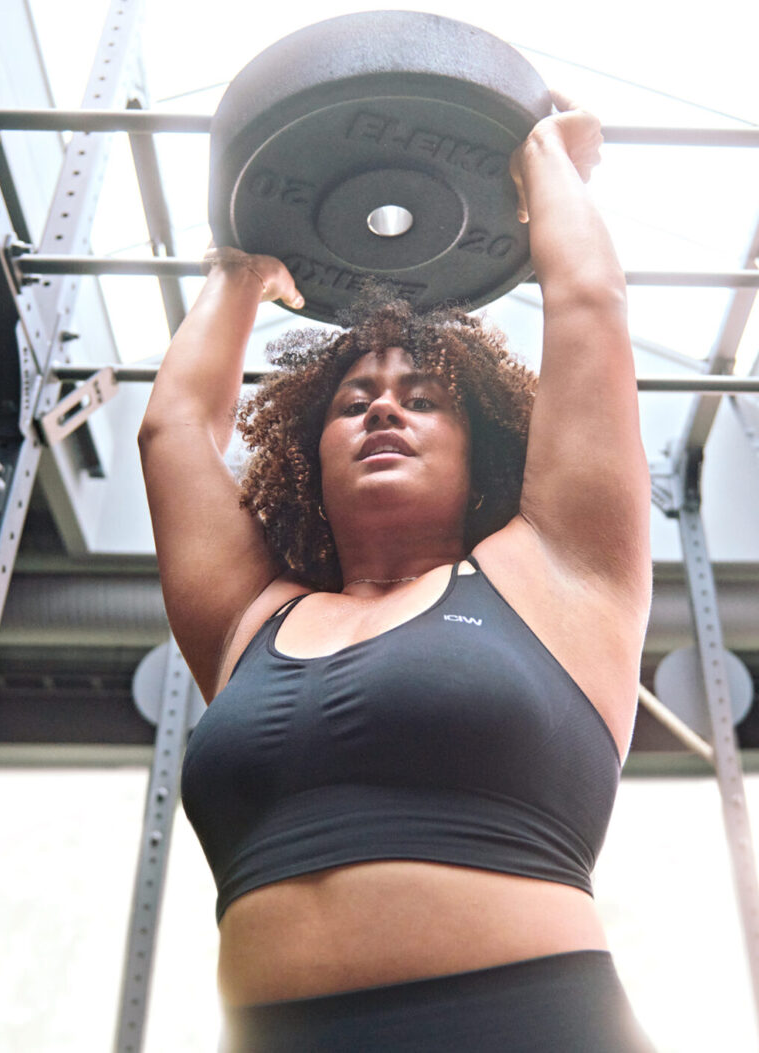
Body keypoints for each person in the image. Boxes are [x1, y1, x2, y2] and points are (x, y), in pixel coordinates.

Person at [138, 95, 653, 1052]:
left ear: (484, 449)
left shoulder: (555, 569)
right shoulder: (250, 617)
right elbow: (173, 431)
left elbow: (588, 303)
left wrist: (544, 162)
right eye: (355, 401)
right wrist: (240, 273)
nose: (384, 411)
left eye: (424, 400)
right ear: (306, 451)